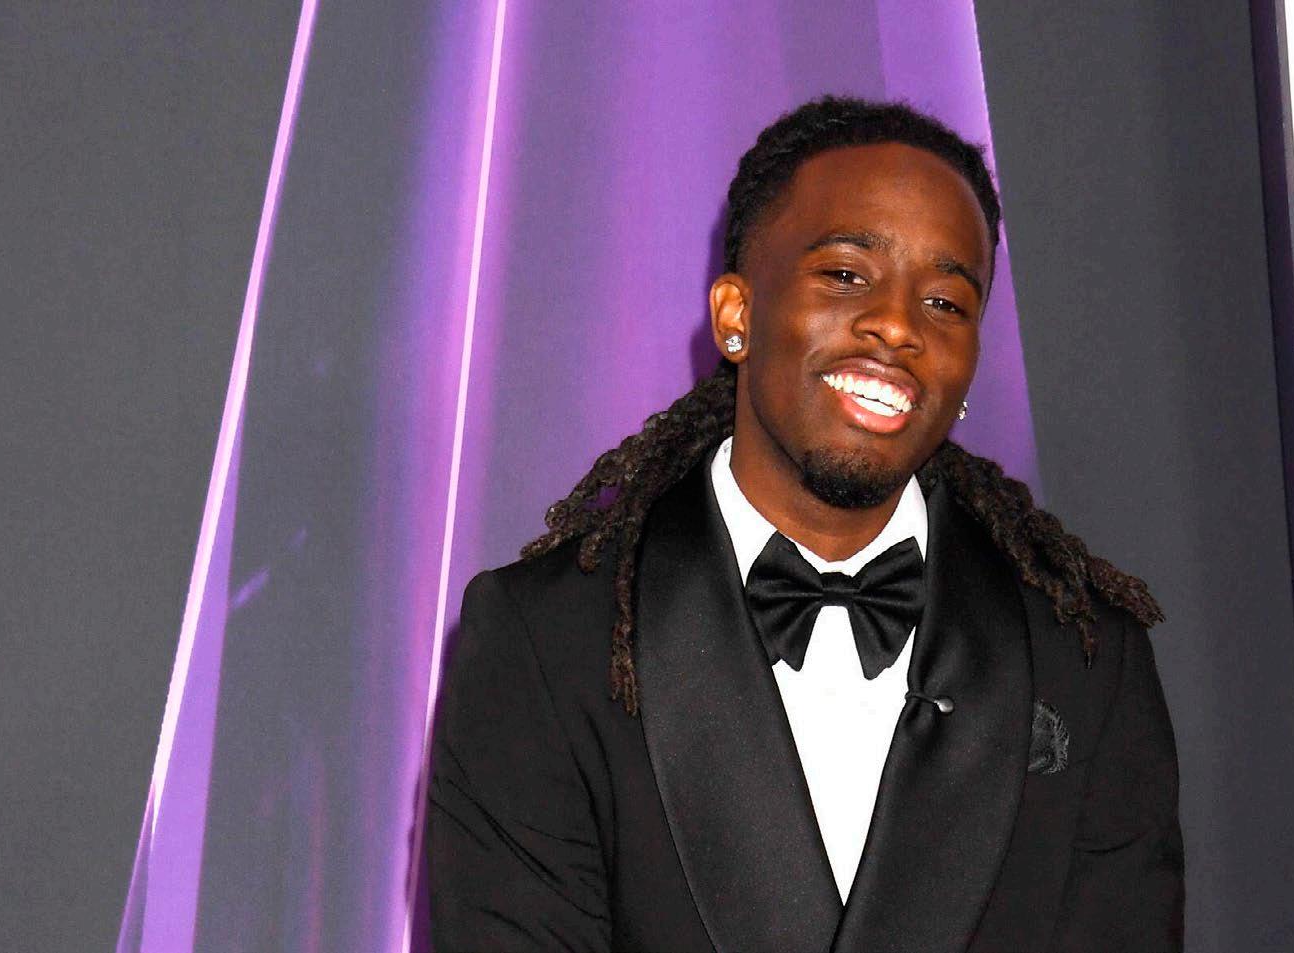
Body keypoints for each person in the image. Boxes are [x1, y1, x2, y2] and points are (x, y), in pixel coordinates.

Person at [426, 96, 1183, 952]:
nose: (896, 325)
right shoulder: (545, 641)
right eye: (847, 276)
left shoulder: (1083, 657)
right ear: (735, 316)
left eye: (945, 302)